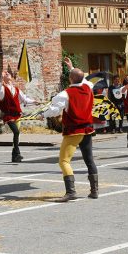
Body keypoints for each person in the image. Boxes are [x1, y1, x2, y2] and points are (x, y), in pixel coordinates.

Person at [43, 57, 98, 202]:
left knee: (64, 161)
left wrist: (43, 115)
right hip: (87, 130)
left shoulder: (65, 94)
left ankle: (71, 192)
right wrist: (71, 67)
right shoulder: (88, 87)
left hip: (74, 131)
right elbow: (81, 79)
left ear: (70, 79)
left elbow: (55, 110)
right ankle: (94, 191)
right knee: (89, 160)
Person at [0, 70, 36, 162]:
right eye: (5, 74)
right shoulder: (2, 89)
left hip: (17, 115)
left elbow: (24, 99)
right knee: (16, 132)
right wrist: (1, 78)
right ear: (4, 78)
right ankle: (17, 152)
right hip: (9, 116)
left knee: (17, 135)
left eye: (8, 73)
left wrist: (34, 102)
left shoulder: (16, 89)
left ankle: (15, 156)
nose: (7, 74)